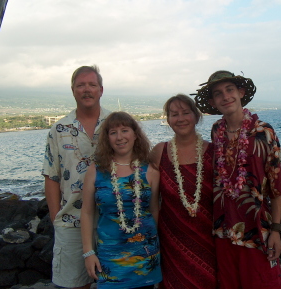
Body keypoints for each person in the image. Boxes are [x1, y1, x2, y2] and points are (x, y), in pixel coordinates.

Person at [194, 70, 281, 289]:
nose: (225, 96)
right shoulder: (217, 130)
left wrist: (275, 230)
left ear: (241, 92)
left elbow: (276, 185)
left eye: (230, 90)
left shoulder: (264, 132)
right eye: (218, 93)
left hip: (257, 230)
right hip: (223, 231)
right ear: (213, 102)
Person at [42, 65, 110, 289]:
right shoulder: (59, 129)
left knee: (115, 283)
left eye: (92, 84)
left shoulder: (116, 125)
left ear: (101, 89)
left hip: (111, 221)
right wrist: (56, 219)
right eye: (81, 85)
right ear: (73, 90)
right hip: (71, 222)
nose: (86, 90)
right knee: (74, 285)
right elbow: (52, 176)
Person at [80, 111, 162, 289]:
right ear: (107, 139)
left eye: (124, 130)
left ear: (135, 134)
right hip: (109, 257)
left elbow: (154, 210)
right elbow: (86, 212)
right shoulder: (96, 171)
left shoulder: (151, 172)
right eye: (113, 132)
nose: (120, 137)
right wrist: (88, 252)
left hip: (145, 257)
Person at [148, 94, 217, 289]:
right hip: (171, 243)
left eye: (186, 113)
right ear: (168, 120)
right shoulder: (159, 152)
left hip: (208, 241)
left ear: (196, 116)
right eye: (174, 114)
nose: (180, 119)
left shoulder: (213, 152)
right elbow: (149, 199)